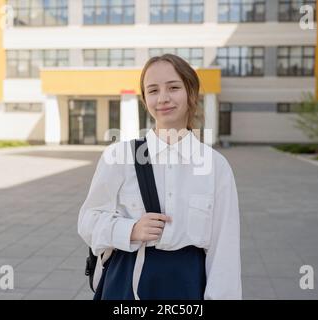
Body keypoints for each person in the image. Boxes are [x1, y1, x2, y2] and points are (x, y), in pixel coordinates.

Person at [78, 54, 242, 300]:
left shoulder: (215, 166)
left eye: (173, 87)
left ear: (191, 93)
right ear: (145, 100)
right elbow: (87, 221)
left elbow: (224, 252)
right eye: (153, 90)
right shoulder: (119, 156)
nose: (163, 98)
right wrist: (130, 229)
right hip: (125, 285)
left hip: (187, 286)